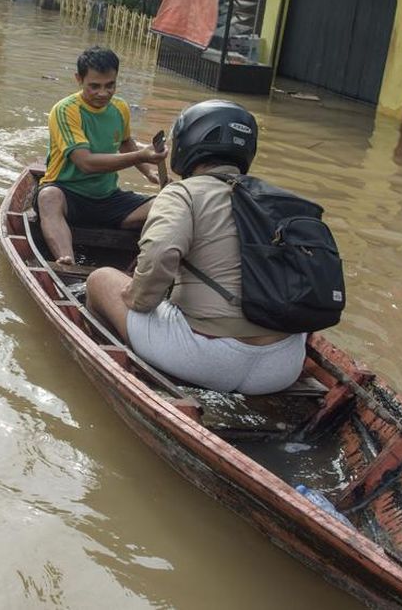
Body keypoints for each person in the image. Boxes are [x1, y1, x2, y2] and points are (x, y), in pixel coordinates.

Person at [84, 100, 306, 396]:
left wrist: (134, 299)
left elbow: (160, 254)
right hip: (284, 366)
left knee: (100, 280)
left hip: (207, 360)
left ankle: (113, 371)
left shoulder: (183, 192)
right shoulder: (280, 200)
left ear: (188, 143)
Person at [36, 47, 165, 265]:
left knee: (168, 206)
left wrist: (148, 172)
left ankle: (142, 266)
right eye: (94, 86)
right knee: (47, 197)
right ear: (79, 79)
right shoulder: (66, 110)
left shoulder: (120, 107)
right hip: (68, 194)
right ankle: (67, 261)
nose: (103, 93)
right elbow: (85, 163)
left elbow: (125, 143)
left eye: (110, 85)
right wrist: (141, 156)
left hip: (107, 197)